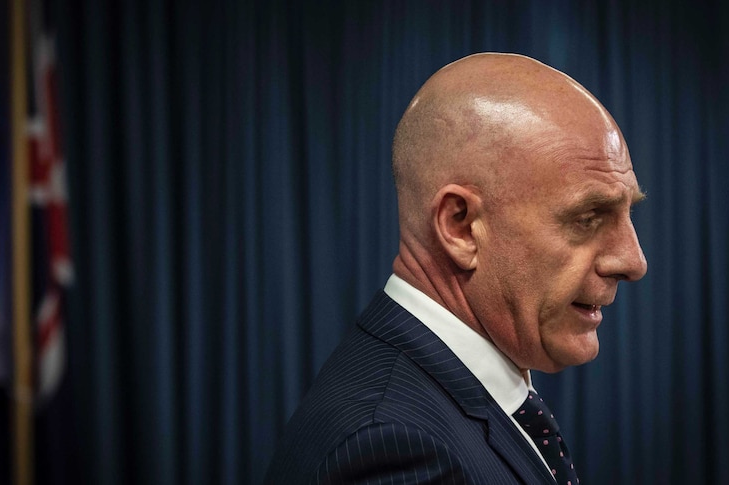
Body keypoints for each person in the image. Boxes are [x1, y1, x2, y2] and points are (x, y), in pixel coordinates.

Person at [265, 52, 647, 484]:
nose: (633, 262)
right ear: (460, 226)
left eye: (628, 214)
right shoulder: (394, 447)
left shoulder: (438, 401)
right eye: (588, 216)